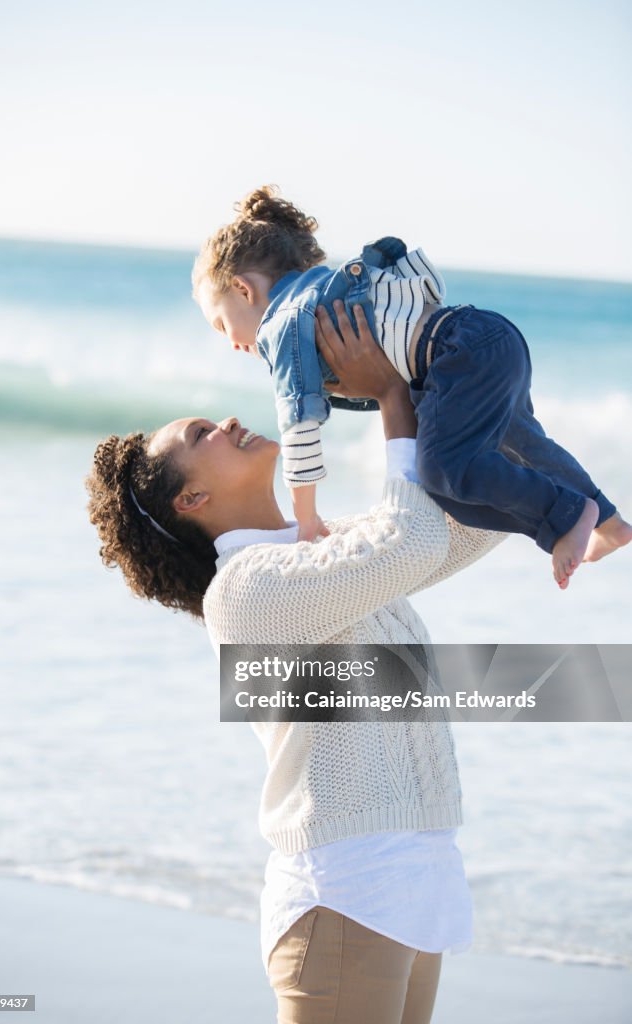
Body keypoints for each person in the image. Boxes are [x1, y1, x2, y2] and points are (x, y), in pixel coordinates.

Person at [86, 304, 508, 1023]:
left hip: (411, 883)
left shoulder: (315, 552)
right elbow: (408, 544)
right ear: (193, 498)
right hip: (347, 893)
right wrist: (389, 399)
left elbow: (462, 529)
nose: (222, 421)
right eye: (200, 435)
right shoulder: (245, 593)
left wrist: (467, 378)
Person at [192, 185, 631, 587]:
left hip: (455, 356)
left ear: (243, 289)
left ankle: (568, 513)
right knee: (523, 446)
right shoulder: (318, 291)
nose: (232, 343)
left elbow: (299, 426)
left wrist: (305, 520)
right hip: (484, 334)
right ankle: (608, 522)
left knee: (442, 471)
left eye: (221, 324)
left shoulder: (282, 326)